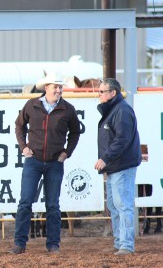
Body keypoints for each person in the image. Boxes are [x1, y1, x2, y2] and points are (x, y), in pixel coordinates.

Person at [8, 72, 81, 254]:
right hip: (33, 161)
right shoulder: (31, 105)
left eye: (60, 87)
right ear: (46, 88)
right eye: (55, 87)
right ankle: (20, 243)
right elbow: (19, 125)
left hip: (55, 162)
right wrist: (24, 147)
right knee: (25, 202)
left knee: (53, 205)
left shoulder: (68, 109)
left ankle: (53, 244)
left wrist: (67, 153)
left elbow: (75, 133)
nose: (58, 90)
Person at [94, 78, 141, 256]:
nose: (99, 95)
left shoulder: (121, 111)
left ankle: (126, 245)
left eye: (101, 91)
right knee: (115, 205)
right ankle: (121, 242)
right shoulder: (115, 110)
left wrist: (105, 158)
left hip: (122, 165)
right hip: (115, 166)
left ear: (112, 93)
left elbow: (122, 139)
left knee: (123, 205)